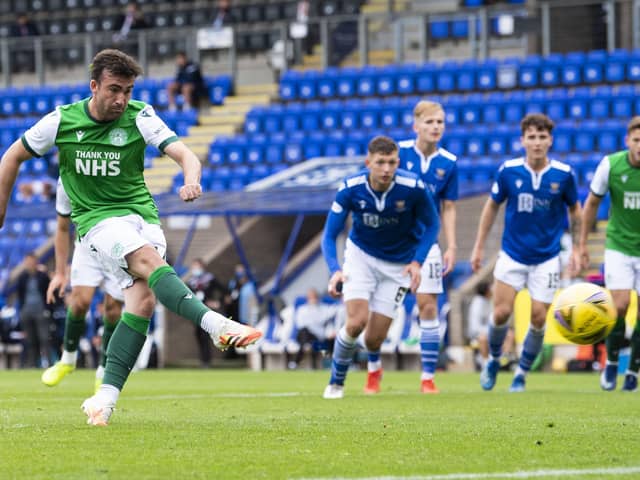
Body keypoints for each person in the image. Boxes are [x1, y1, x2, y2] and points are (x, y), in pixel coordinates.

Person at [0, 49, 261, 426]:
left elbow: (186, 154)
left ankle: (103, 400)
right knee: (147, 264)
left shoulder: (140, 116)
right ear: (94, 86)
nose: (121, 98)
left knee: (141, 304)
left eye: (127, 89)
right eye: (113, 89)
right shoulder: (60, 122)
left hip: (143, 219)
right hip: (97, 223)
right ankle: (216, 325)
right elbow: (10, 157)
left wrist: (192, 180)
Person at [321, 135, 440, 399]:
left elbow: (433, 224)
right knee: (356, 322)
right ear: (368, 162)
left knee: (374, 339)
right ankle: (336, 383)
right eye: (380, 163)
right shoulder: (351, 187)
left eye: (391, 162)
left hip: (398, 266)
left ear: (398, 162)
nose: (386, 169)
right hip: (361, 257)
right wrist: (335, 269)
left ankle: (374, 369)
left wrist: (417, 262)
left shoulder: (413, 186)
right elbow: (329, 234)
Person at [470, 113, 582, 393]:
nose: (537, 143)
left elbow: (576, 211)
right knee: (501, 313)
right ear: (522, 140)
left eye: (542, 137)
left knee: (538, 318)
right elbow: (492, 207)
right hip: (512, 255)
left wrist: (578, 248)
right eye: (531, 137)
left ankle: (521, 373)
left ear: (550, 140)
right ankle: (494, 360)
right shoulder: (508, 171)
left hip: (546, 258)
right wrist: (479, 245)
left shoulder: (563, 174)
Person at [382, 100, 458, 395]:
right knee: (381, 313)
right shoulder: (397, 155)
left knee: (429, 306)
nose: (435, 127)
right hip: (392, 244)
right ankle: (374, 367)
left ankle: (428, 377)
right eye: (429, 122)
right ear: (416, 126)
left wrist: (451, 245)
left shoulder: (448, 163)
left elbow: (449, 207)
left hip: (427, 244)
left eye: (440, 122)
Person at [41, 178, 124, 392]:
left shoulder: (114, 163)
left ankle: (104, 370)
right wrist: (60, 272)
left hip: (118, 244)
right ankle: (67, 360)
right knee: (79, 302)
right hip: (87, 246)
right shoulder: (67, 179)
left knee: (113, 310)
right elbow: (62, 226)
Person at [578, 116, 640, 392]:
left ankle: (634, 371)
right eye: (637, 140)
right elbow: (591, 203)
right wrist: (582, 243)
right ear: (628, 141)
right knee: (621, 305)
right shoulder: (611, 165)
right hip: (619, 246)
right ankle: (612, 363)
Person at [186, 258, 228, 367]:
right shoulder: (191, 281)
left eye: (197, 266)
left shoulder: (209, 279)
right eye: (194, 266)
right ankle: (203, 359)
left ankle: (206, 361)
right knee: (199, 335)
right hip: (196, 312)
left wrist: (217, 302)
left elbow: (223, 290)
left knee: (205, 336)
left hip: (206, 312)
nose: (195, 269)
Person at [15, 253, 51, 368]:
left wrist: (48, 309)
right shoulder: (22, 277)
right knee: (30, 340)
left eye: (32, 261)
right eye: (27, 261)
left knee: (44, 338)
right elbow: (20, 295)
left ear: (36, 262)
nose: (30, 264)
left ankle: (48, 363)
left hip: (41, 311)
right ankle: (32, 364)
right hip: (27, 311)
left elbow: (49, 292)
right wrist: (21, 310)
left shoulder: (43, 276)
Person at [287, 288, 336, 370]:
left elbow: (334, 312)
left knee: (309, 338)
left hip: (317, 335)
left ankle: (296, 360)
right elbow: (300, 324)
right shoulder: (302, 309)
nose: (313, 300)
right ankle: (306, 345)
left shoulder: (324, 309)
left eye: (314, 297)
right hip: (304, 333)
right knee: (304, 332)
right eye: (311, 297)